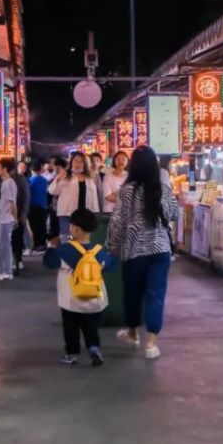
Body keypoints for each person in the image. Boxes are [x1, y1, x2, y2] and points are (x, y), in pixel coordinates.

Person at [108, 145, 179, 360]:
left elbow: (117, 221)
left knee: (133, 295)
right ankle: (151, 344)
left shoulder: (127, 191)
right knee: (155, 295)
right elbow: (174, 214)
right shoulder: (163, 188)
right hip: (160, 250)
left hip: (134, 251)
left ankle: (132, 333)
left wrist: (112, 246)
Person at [43, 208, 116, 366]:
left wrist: (51, 246)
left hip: (71, 300)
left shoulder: (65, 251)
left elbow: (49, 262)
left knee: (71, 328)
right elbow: (110, 265)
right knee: (91, 327)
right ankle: (94, 348)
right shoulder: (99, 251)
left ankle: (72, 354)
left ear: (74, 228)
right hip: (95, 300)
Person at [50, 152, 100, 242]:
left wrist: (95, 211)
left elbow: (95, 196)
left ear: (85, 164)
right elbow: (53, 191)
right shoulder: (66, 176)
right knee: (67, 237)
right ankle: (67, 253)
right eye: (75, 161)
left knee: (83, 239)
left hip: (85, 214)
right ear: (71, 162)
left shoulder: (90, 177)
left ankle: (80, 255)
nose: (78, 164)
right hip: (67, 213)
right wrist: (58, 178)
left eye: (81, 162)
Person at [0, 157, 18, 280]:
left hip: (5, 219)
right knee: (5, 245)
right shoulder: (8, 183)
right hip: (5, 218)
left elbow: (12, 203)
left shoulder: (7, 183)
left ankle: (6, 271)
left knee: (4, 246)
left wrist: (14, 218)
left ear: (4, 169)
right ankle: (5, 270)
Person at [12, 160, 31, 272]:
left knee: (17, 239)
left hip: (18, 215)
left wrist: (23, 215)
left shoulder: (22, 180)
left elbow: (25, 198)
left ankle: (18, 260)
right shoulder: (0, 180)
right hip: (6, 216)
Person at [28, 161, 50, 256]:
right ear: (41, 170)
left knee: (33, 226)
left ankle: (35, 245)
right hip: (43, 206)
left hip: (32, 206)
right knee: (42, 225)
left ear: (31, 169)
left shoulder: (29, 181)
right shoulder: (45, 181)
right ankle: (42, 245)